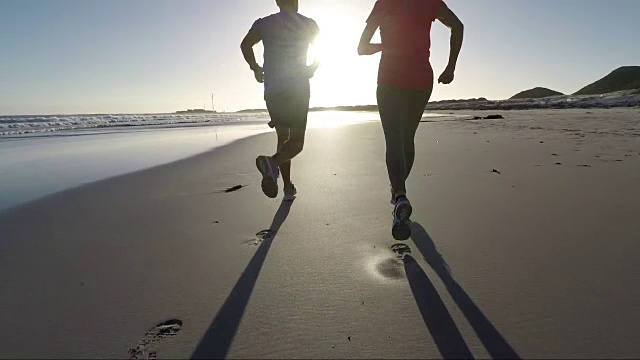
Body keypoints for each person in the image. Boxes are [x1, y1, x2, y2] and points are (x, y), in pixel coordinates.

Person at [357, 0, 464, 240]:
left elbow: (361, 48)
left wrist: (387, 45)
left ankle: (400, 195)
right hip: (421, 79)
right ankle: (398, 194)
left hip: (391, 79)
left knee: (394, 139)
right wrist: (450, 67)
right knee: (406, 139)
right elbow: (458, 26)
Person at [241, 0, 320, 200]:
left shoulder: (264, 23)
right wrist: (313, 67)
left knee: (283, 137)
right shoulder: (309, 24)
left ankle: (286, 186)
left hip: (274, 90)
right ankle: (273, 163)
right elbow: (323, 48)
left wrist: (255, 68)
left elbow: (245, 45)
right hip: (297, 89)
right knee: (297, 142)